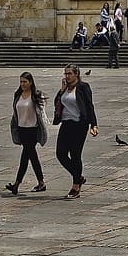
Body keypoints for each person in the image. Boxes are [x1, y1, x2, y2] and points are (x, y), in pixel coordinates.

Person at [53, 65, 99, 198]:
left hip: (79, 124)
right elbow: (57, 103)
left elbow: (90, 105)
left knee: (75, 154)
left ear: (76, 74)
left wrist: (93, 125)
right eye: (65, 74)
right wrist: (61, 91)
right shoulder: (65, 88)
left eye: (69, 74)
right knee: (60, 154)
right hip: (66, 123)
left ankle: (75, 186)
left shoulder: (83, 87)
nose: (67, 76)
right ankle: (78, 176)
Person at [6, 71, 48, 195]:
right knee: (29, 156)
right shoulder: (18, 94)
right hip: (21, 128)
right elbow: (16, 112)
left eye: (25, 82)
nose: (23, 84)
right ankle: (40, 182)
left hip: (33, 129)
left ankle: (17, 184)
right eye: (21, 82)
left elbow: (41, 112)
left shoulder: (36, 95)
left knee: (26, 156)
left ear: (30, 82)